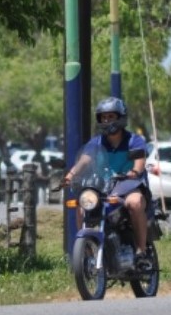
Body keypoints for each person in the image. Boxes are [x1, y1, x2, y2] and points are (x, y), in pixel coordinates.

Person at [61, 97, 152, 269]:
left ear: (121, 117)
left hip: (129, 186)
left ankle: (141, 252)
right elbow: (85, 160)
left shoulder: (134, 140)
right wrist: (71, 174)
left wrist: (133, 172)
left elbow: (139, 162)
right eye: (103, 117)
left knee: (135, 202)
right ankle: (87, 254)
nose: (107, 121)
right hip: (104, 189)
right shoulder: (96, 142)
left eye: (111, 116)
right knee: (82, 205)